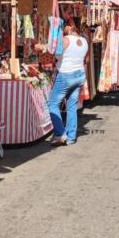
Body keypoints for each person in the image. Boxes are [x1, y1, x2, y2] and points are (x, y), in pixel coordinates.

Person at [38, 18, 88, 146]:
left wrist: (42, 47)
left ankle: (60, 133)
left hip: (66, 74)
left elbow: (54, 51)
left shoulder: (66, 40)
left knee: (52, 103)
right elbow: (85, 60)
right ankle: (71, 137)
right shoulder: (84, 41)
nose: (63, 30)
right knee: (72, 106)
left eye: (65, 28)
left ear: (70, 28)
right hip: (79, 74)